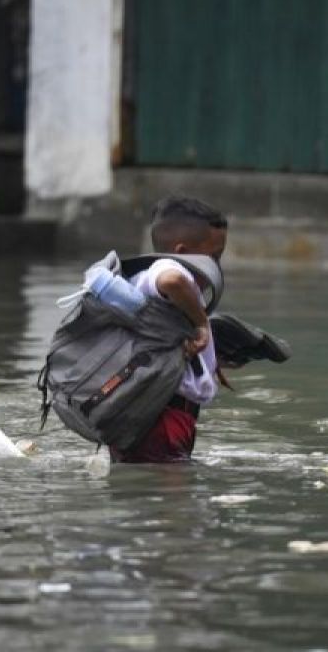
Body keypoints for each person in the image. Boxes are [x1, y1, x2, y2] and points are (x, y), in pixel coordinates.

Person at [110, 195, 228, 463]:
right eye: (214, 257)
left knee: (148, 495)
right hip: (161, 419)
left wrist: (210, 362)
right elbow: (172, 280)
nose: (217, 268)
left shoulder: (144, 278)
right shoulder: (170, 267)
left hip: (149, 414)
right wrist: (201, 324)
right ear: (183, 252)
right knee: (172, 502)